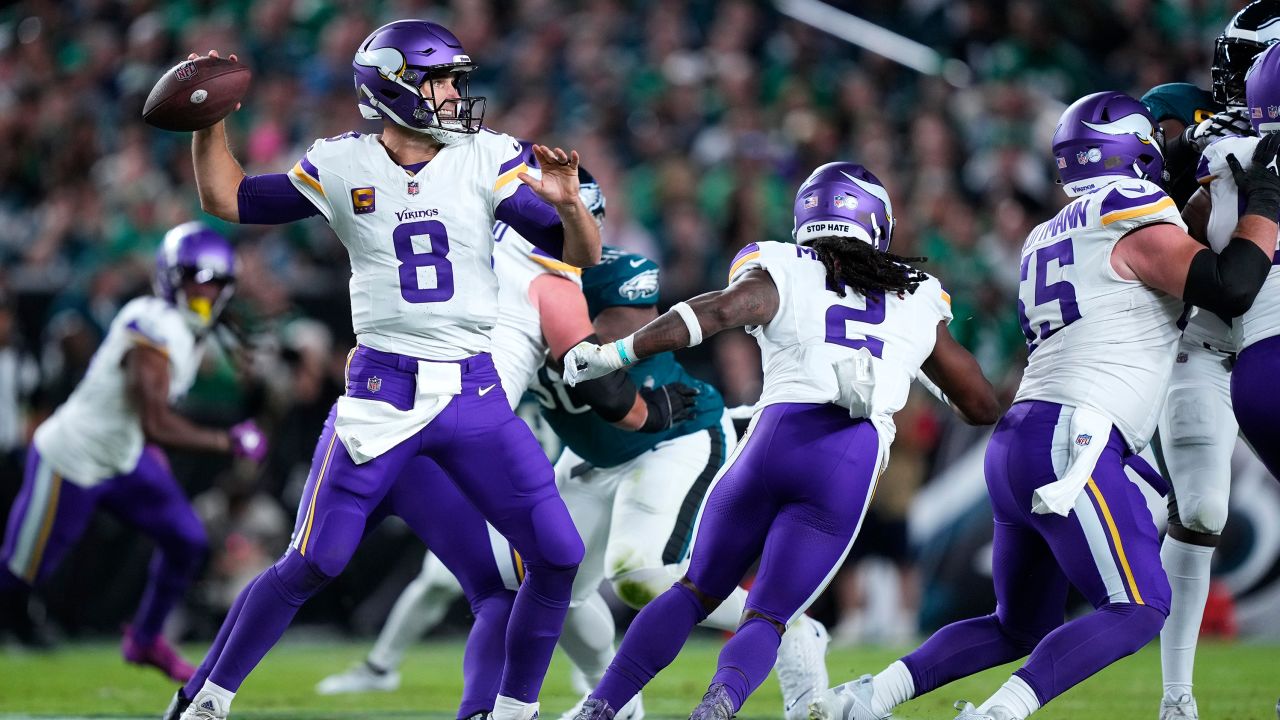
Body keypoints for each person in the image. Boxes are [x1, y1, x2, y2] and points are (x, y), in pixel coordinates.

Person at [172, 19, 600, 720]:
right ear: (392, 89)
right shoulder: (343, 164)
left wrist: (572, 203)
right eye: (440, 80)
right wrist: (208, 122)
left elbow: (577, 252)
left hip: (473, 390)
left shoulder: (486, 156)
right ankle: (203, 702)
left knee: (556, 555)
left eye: (458, 80)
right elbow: (230, 198)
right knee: (315, 561)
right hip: (384, 393)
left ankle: (514, 713)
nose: (456, 94)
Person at [810, 91, 1280, 720]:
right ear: (1135, 151)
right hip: (1075, 438)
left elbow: (1174, 250)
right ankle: (999, 714)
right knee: (1138, 607)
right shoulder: (1130, 212)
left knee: (1016, 626)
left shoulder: (1049, 232)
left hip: (1021, 438)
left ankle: (869, 697)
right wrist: (1267, 198)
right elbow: (1233, 286)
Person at [316, 174, 829, 720]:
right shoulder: (491, 283)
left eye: (565, 222)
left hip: (671, 436)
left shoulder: (617, 274)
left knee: (639, 576)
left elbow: (597, 362)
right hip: (592, 453)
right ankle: (615, 697)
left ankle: (784, 622)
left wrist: (526, 321)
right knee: (549, 579)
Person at [561, 161, 999, 720]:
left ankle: (600, 707)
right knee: (767, 616)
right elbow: (980, 404)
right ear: (876, 223)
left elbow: (717, 311)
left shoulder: (783, 265)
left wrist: (613, 354)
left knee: (693, 590)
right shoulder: (915, 296)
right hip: (849, 456)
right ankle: (716, 708)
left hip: (775, 437)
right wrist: (911, 364)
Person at [0, 222, 265, 682]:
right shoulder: (153, 323)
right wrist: (229, 441)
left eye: (215, 283)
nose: (205, 292)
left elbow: (144, 425)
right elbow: (156, 422)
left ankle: (144, 640)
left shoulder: (185, 330)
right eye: (196, 280)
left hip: (123, 457)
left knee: (186, 540)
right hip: (73, 460)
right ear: (170, 278)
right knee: (21, 572)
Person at [1141, 6, 1280, 717]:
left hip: (1270, 324)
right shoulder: (1197, 127)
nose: (1228, 73)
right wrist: (1190, 176)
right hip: (1206, 335)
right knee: (1199, 508)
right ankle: (1177, 696)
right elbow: (1156, 233)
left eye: (1244, 58)